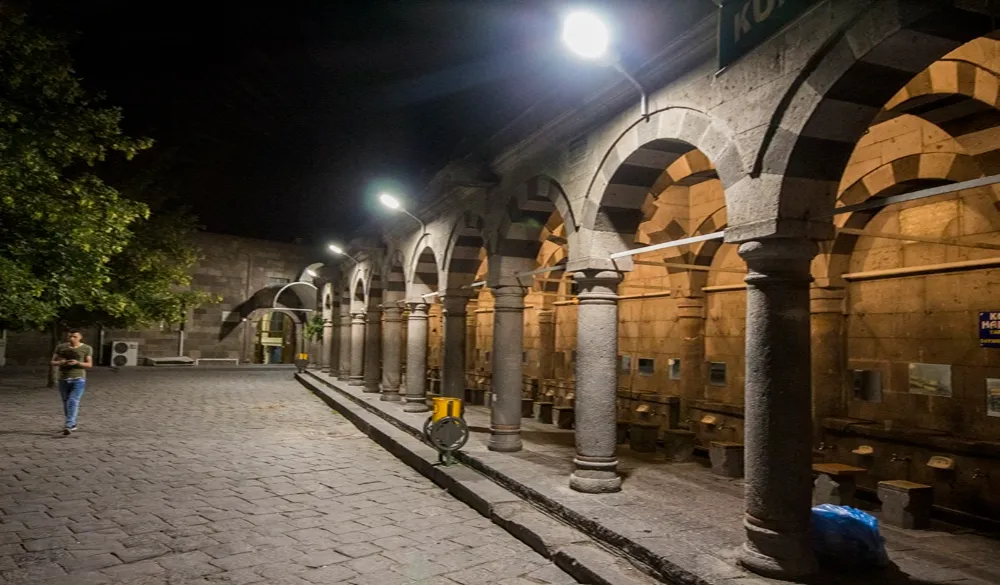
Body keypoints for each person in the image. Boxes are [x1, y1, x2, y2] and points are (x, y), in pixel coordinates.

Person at [50, 329, 93, 435]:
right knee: (66, 401)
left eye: (74, 336)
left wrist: (77, 363)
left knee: (73, 400)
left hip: (78, 378)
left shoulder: (86, 348)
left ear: (80, 337)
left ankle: (68, 424)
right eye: (70, 336)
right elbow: (52, 361)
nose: (72, 338)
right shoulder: (61, 347)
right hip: (63, 378)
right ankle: (72, 423)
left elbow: (89, 364)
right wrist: (61, 362)